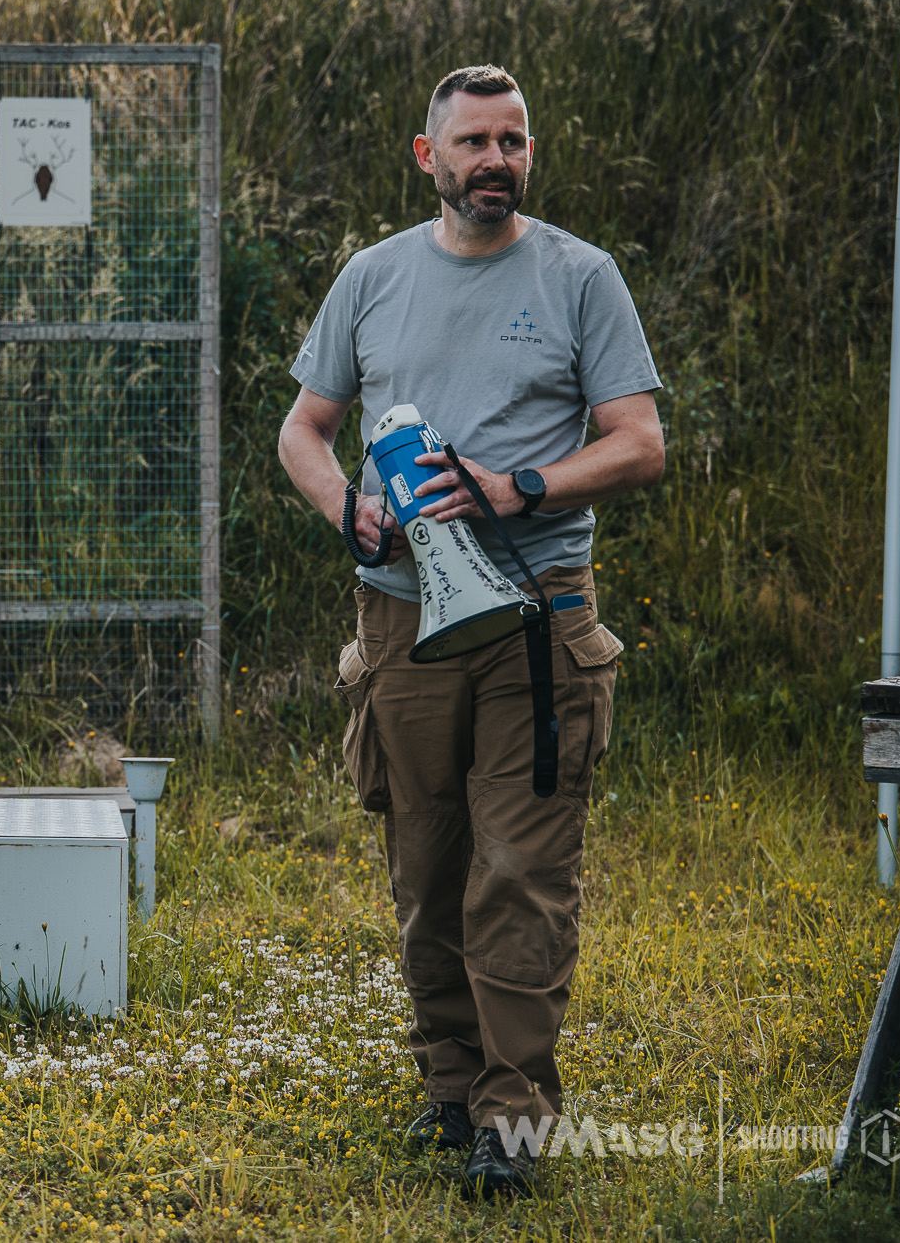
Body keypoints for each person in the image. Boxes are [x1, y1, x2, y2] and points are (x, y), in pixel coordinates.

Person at [277, 65, 665, 1198]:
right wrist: (344, 504)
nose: (493, 160)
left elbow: (637, 443)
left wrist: (522, 486)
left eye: (513, 141)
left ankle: (512, 1117)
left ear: (528, 155)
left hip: (537, 627)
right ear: (426, 156)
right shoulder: (372, 276)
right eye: (472, 143)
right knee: (426, 867)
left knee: (519, 871)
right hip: (398, 622)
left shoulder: (580, 277)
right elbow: (304, 428)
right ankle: (449, 1091)